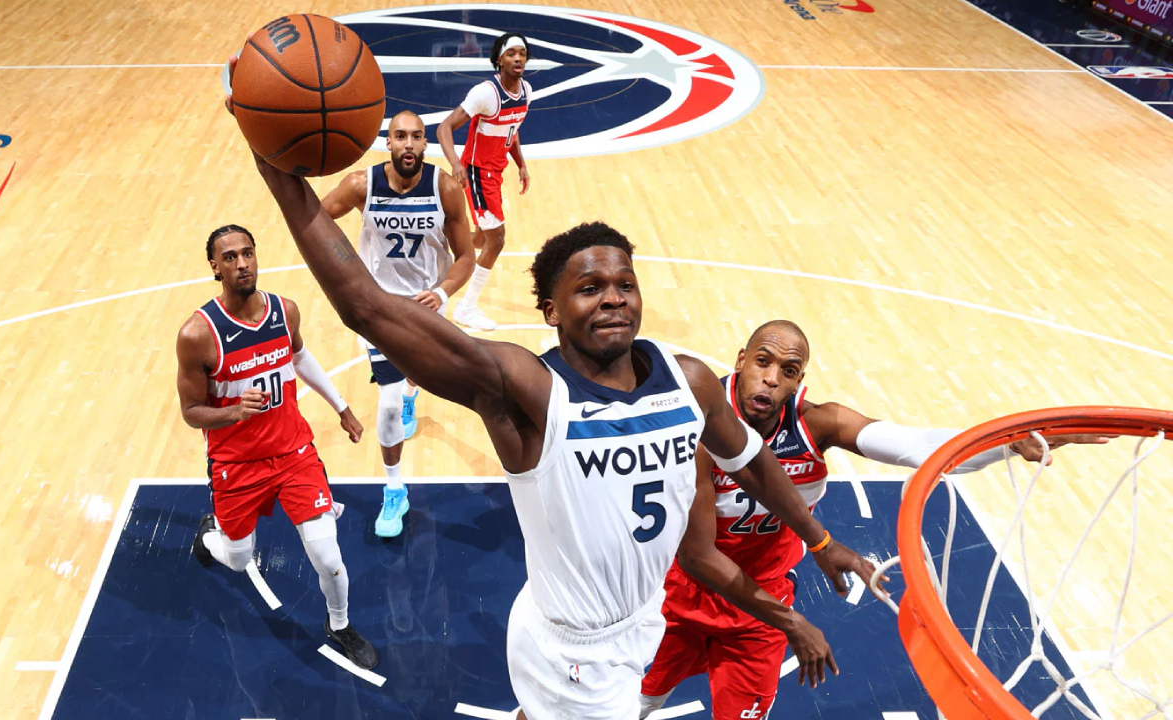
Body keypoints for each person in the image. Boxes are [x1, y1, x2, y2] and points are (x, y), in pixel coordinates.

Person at [227, 59, 875, 708]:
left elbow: (756, 462)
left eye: (625, 284)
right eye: (589, 289)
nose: (614, 299)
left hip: (642, 623)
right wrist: (273, 163)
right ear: (550, 310)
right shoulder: (526, 389)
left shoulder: (691, 380)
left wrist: (820, 542)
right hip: (574, 655)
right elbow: (365, 306)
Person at [639, 319, 1110, 720]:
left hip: (758, 602)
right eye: (762, 362)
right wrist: (798, 620)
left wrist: (1009, 442)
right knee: (633, 701)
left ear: (800, 380)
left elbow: (918, 446)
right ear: (740, 360)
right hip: (680, 593)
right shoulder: (695, 420)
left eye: (788, 370)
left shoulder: (816, 424)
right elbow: (698, 555)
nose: (770, 379)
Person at [174, 224, 378, 670]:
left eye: (247, 253)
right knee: (238, 558)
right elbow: (191, 410)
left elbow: (300, 357)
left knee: (329, 557)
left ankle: (339, 623)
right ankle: (211, 538)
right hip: (236, 464)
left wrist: (341, 406)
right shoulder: (197, 334)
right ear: (214, 266)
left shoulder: (284, 311)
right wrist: (232, 412)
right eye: (230, 257)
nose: (242, 263)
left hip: (293, 454)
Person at [321, 110, 476, 538]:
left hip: (427, 305)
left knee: (413, 378)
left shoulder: (444, 188)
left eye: (417, 137)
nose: (409, 144)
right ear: (387, 143)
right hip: (380, 309)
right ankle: (395, 490)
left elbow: (467, 256)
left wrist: (443, 292)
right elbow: (315, 221)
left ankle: (411, 392)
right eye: (400, 136)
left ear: (425, 144)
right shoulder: (360, 185)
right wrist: (347, 272)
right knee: (387, 404)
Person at [435, 31, 533, 331]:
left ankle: (438, 244)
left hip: (496, 171)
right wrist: (455, 164)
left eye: (523, 53)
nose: (518, 58)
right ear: (499, 59)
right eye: (512, 53)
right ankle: (466, 308)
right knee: (497, 239)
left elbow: (512, 129)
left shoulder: (527, 91)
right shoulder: (485, 93)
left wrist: (521, 164)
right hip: (477, 173)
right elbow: (444, 127)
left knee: (479, 238)